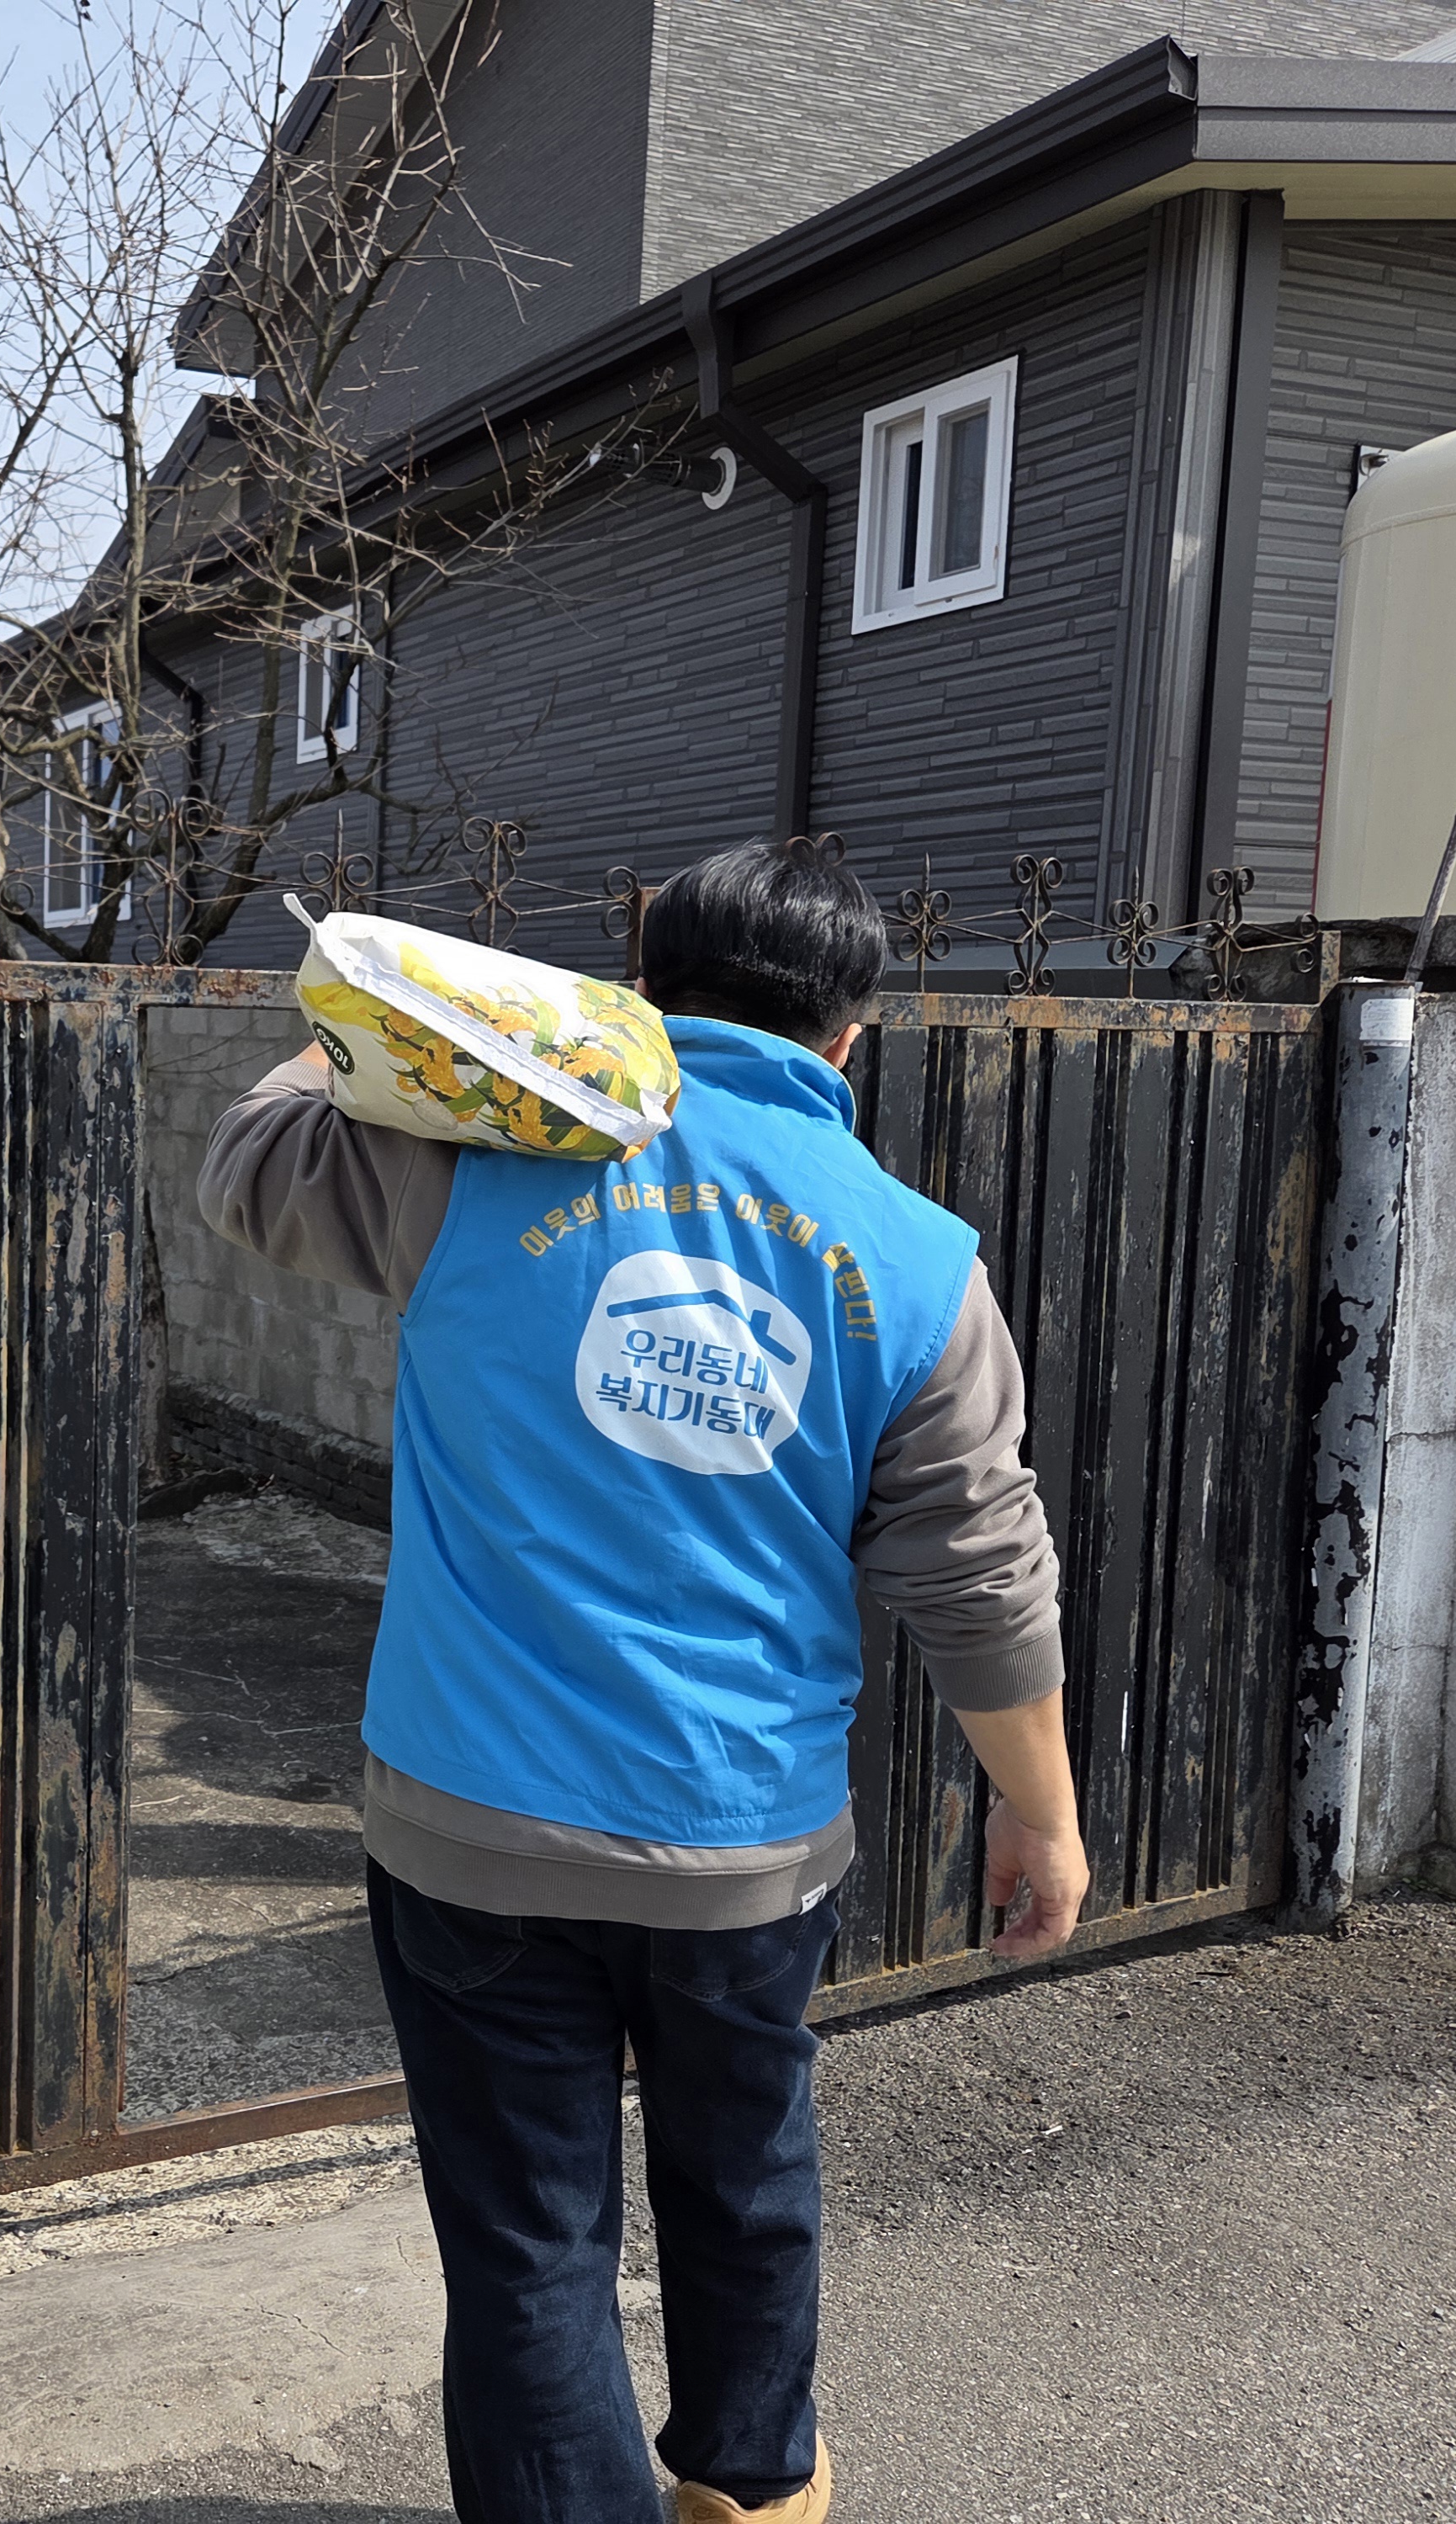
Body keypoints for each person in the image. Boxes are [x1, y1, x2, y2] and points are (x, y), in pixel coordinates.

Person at [199, 836, 1087, 2524]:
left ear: (640, 993)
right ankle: (753, 2493)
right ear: (850, 1036)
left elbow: (246, 1165)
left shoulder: (464, 1168)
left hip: (474, 1827)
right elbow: (981, 1571)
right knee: (744, 2180)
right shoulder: (916, 1262)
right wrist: (1038, 1817)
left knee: (529, 2242)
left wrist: (374, 1024)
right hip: (744, 1846)